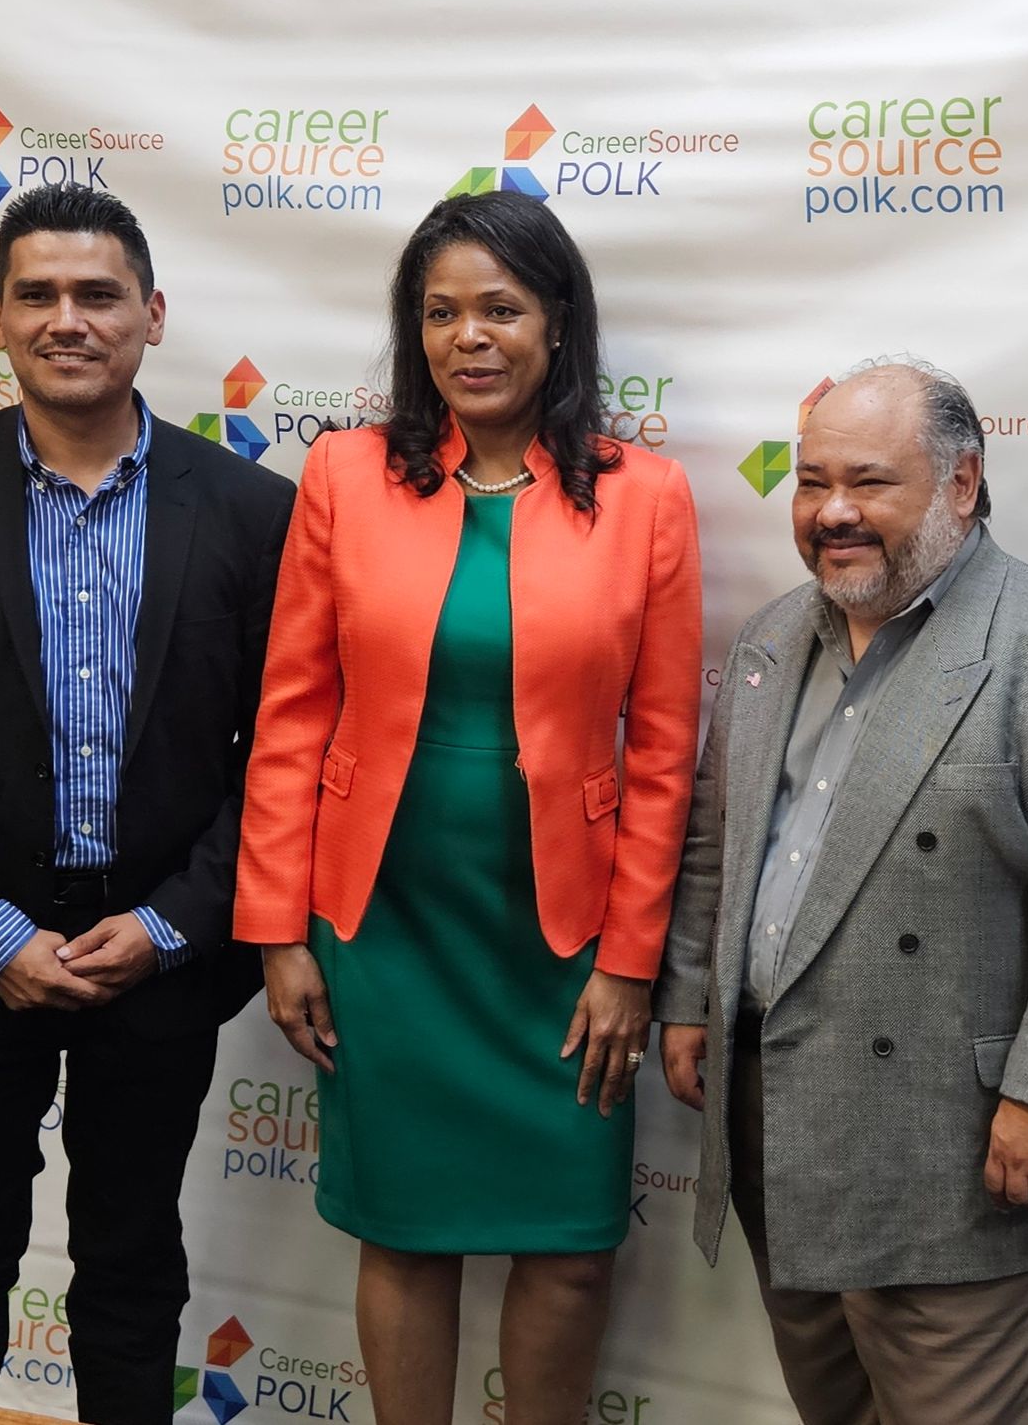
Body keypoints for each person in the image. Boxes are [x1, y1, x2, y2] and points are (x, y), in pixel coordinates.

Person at [0, 184, 295, 1425]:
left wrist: (173, 922)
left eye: (98, 294)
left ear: (151, 313)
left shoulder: (252, 509)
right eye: (37, 293)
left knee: (133, 1272)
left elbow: (282, 752)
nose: (68, 319)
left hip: (162, 959)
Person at [233, 191, 703, 1425]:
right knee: (404, 1229)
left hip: (566, 938)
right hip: (383, 921)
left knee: (569, 1243)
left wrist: (633, 961)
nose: (470, 336)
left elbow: (662, 749)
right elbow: (291, 713)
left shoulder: (644, 495)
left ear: (558, 323)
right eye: (440, 312)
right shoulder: (342, 472)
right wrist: (281, 927)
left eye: (501, 307)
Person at [654, 359, 1028, 1424]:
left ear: (962, 482)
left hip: (971, 1159)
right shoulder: (768, 642)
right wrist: (689, 996)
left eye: (869, 481)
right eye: (810, 482)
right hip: (783, 1138)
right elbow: (720, 840)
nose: (832, 512)